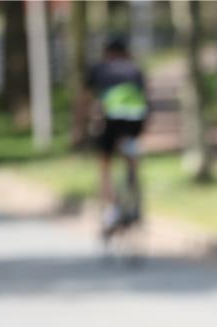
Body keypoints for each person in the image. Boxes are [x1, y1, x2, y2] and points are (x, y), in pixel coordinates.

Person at [82, 34, 149, 243]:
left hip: (112, 118)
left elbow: (84, 100)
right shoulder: (135, 69)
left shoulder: (99, 69)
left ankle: (111, 211)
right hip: (136, 118)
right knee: (130, 151)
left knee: (105, 163)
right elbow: (145, 97)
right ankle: (134, 192)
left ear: (106, 53)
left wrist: (80, 128)